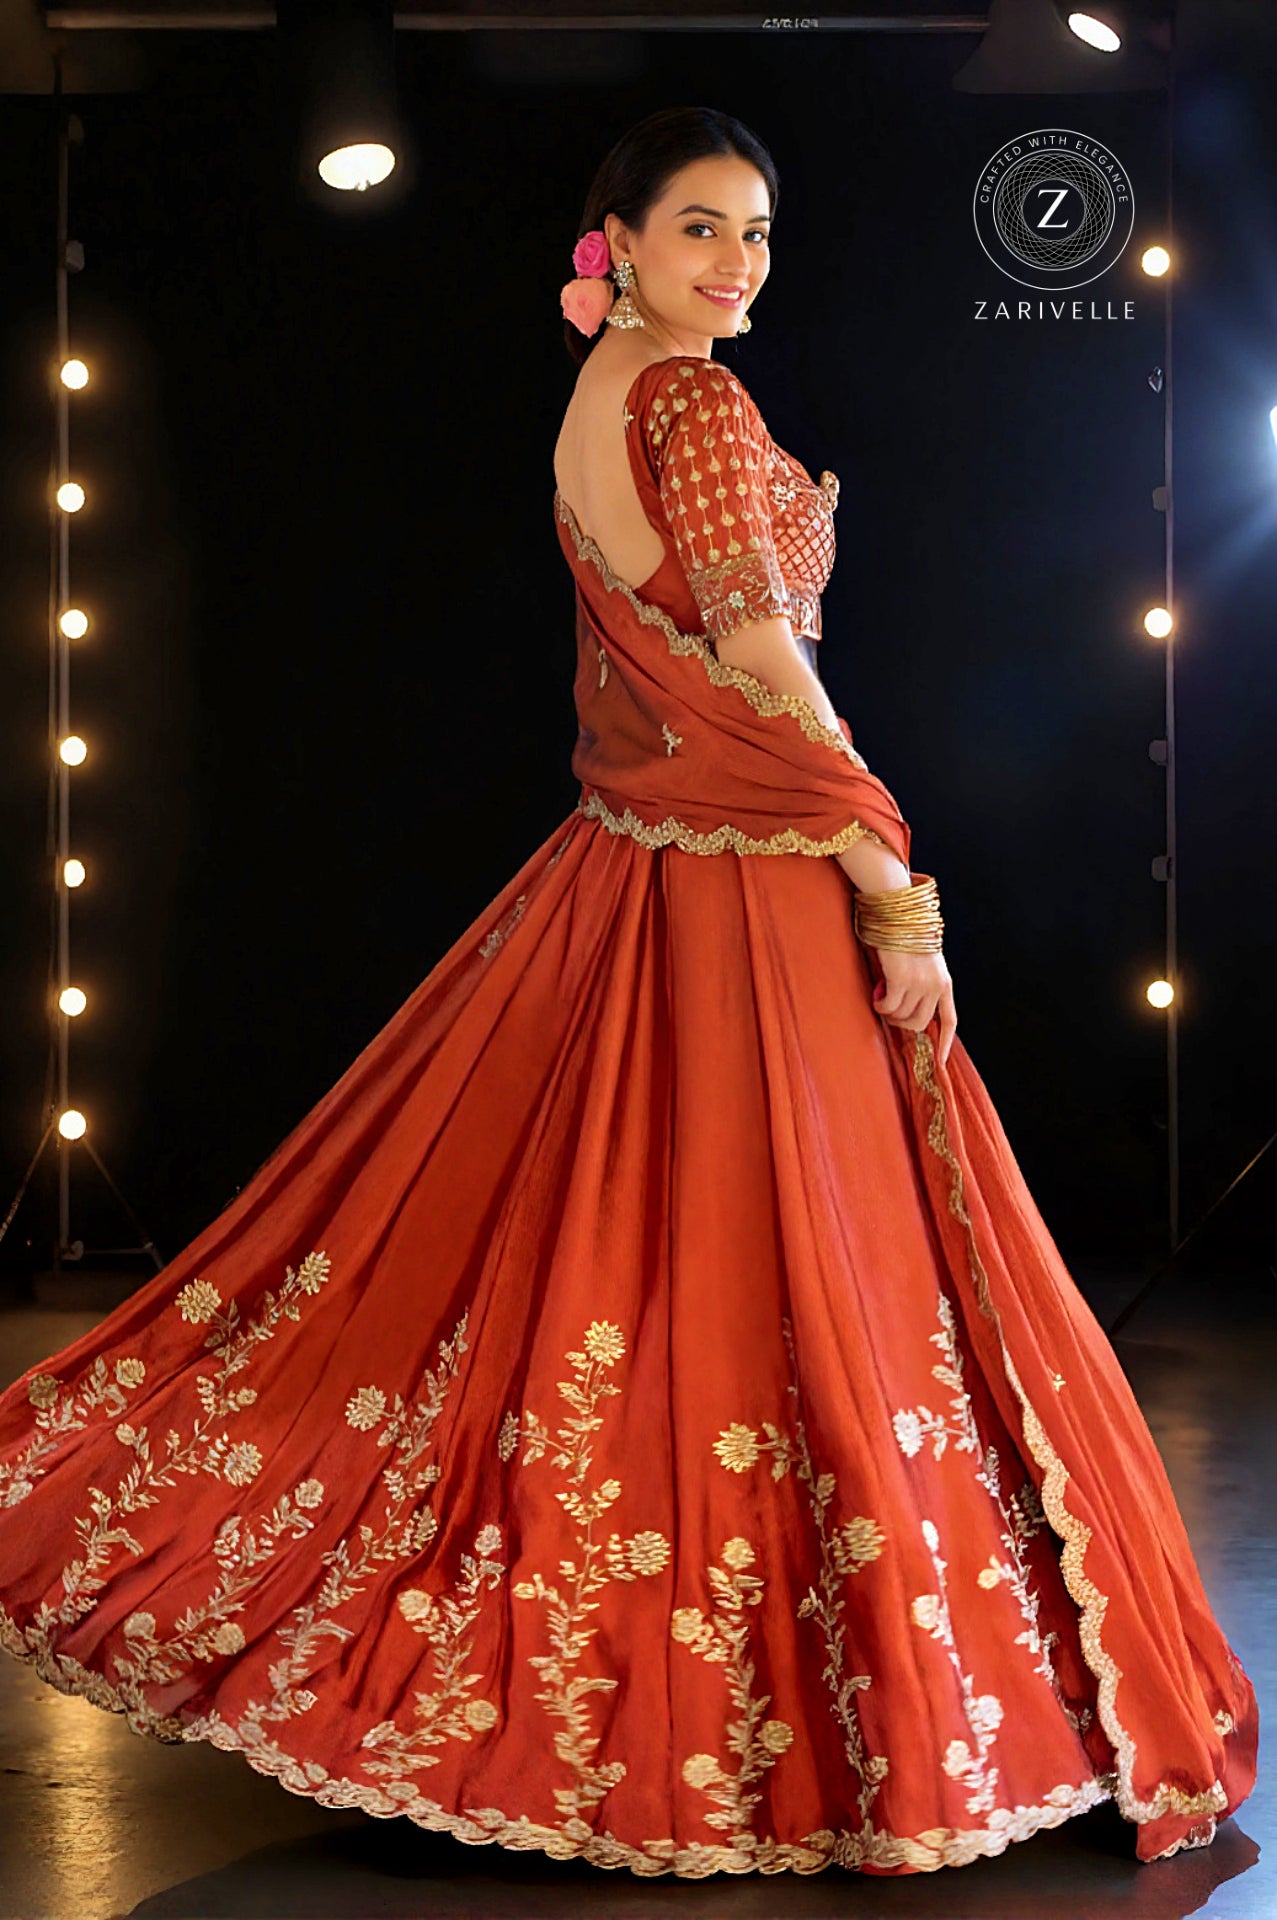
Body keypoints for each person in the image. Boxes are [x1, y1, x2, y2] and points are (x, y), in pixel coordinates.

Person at [0, 107, 1257, 1883]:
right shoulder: (691, 406)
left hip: (632, 874)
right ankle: (783, 1706)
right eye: (700, 228)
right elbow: (756, 663)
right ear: (622, 241)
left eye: (756, 232)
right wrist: (891, 879)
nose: (735, 262)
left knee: (622, 1260)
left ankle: (631, 1673)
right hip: (748, 891)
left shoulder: (601, 392)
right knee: (785, 1265)